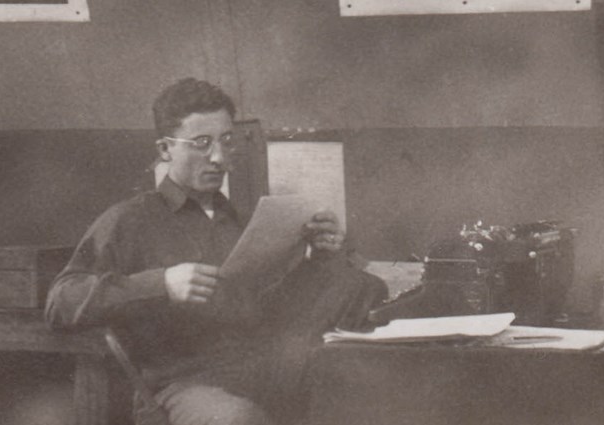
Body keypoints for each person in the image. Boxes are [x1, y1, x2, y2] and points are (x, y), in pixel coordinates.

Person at [45, 78, 386, 425]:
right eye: (201, 143)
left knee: (357, 355)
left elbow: (274, 305)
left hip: (260, 374)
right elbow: (61, 301)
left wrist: (320, 254)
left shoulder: (240, 220)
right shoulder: (129, 220)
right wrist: (162, 284)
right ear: (165, 149)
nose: (219, 158)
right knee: (238, 420)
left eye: (226, 141)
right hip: (182, 386)